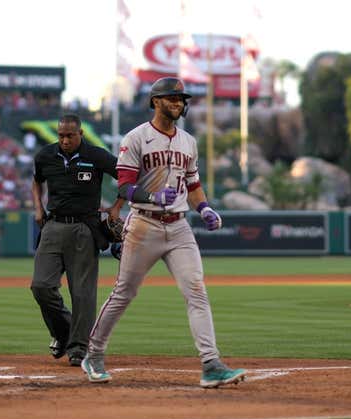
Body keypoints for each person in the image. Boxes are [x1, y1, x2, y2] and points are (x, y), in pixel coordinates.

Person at [81, 77, 247, 388]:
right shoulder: (136, 138)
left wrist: (205, 208)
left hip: (180, 227)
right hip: (144, 224)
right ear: (156, 101)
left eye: (181, 98)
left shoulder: (188, 142)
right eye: (172, 97)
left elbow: (193, 185)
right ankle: (94, 354)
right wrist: (153, 197)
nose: (179, 102)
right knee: (124, 293)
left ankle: (211, 364)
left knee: (197, 292)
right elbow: (126, 187)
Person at [31, 113, 125, 367]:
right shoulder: (45, 156)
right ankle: (65, 332)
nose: (64, 140)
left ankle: (78, 347)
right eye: (61, 135)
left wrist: (116, 207)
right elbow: (37, 182)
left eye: (70, 135)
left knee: (82, 293)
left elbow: (127, 177)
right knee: (41, 286)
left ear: (80, 134)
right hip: (52, 225)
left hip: (85, 227)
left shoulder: (96, 155)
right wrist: (38, 208)